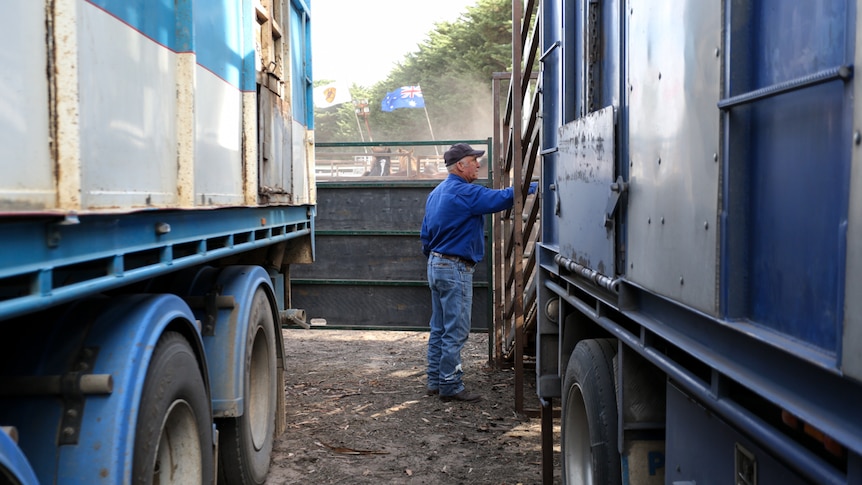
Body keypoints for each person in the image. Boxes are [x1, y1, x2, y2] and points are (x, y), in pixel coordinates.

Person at [420, 143, 537, 402]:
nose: (478, 164)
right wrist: (531, 186)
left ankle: (435, 381)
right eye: (474, 160)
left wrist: (436, 258)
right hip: (454, 267)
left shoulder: (436, 193)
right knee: (456, 329)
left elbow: (425, 235)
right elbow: (500, 198)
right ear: (461, 165)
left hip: (436, 264)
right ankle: (450, 385)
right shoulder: (465, 193)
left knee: (439, 327)